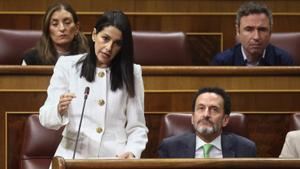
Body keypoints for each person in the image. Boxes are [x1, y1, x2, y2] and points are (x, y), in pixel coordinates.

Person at [39, 10, 148, 160]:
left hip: (114, 159)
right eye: (105, 38)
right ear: (94, 34)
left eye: (117, 43)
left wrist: (132, 152)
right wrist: (58, 109)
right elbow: (45, 117)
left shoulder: (132, 72)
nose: (109, 47)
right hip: (73, 158)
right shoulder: (67, 66)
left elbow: (137, 127)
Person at [158, 87, 256, 158]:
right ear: (192, 118)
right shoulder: (170, 148)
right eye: (201, 108)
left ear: (225, 120)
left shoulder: (245, 149)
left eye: (214, 109)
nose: (206, 115)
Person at [211, 1, 294, 66]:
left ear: (270, 32)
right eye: (249, 29)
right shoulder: (222, 62)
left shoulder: (284, 61)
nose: (256, 37)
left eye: (262, 29)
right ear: (238, 31)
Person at [21, 1, 88, 65]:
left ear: (76, 28)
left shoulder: (90, 55)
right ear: (47, 30)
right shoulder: (31, 59)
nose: (62, 28)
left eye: (67, 22)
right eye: (55, 24)